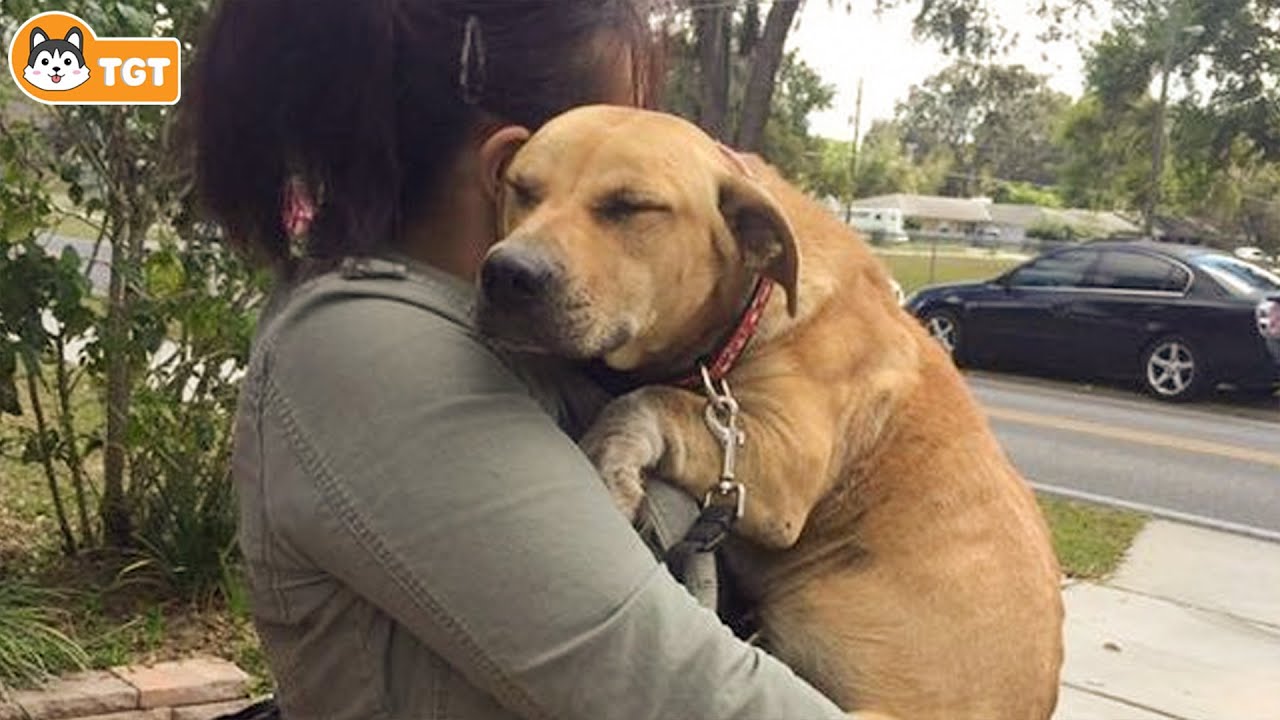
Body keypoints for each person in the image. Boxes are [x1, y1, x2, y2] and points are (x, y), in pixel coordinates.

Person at [187, 1, 849, 718]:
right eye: (628, 160)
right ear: (513, 165)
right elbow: (693, 697)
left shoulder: (529, 338)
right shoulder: (371, 353)